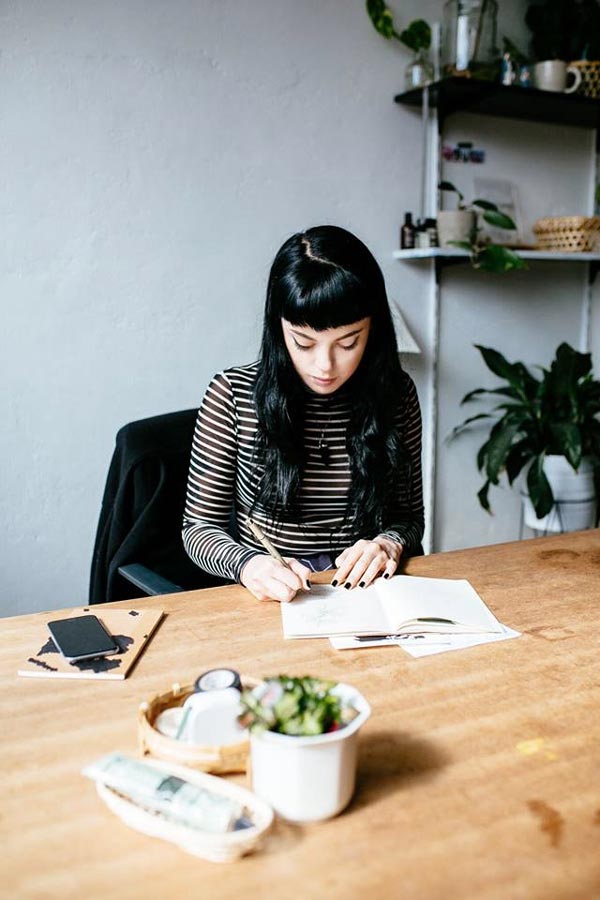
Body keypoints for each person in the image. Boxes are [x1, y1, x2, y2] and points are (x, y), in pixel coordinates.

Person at [182, 225, 424, 603]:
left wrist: (387, 544)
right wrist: (249, 565)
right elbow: (198, 528)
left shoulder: (397, 395)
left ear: (373, 331)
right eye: (303, 343)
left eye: (348, 343)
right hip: (273, 593)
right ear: (279, 330)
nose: (324, 365)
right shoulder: (232, 395)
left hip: (367, 593)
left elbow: (409, 518)